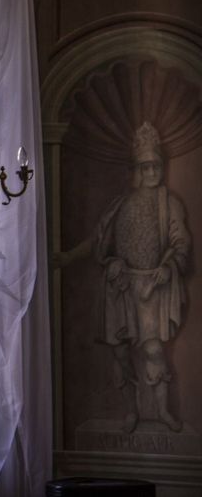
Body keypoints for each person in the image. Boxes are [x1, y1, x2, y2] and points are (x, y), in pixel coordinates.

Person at [56, 121, 190, 433]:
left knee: (153, 350)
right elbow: (99, 240)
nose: (151, 172)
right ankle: (131, 411)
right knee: (120, 353)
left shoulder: (169, 203)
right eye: (145, 167)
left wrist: (169, 266)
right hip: (119, 287)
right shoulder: (121, 204)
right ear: (137, 170)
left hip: (152, 288)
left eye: (156, 166)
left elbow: (181, 242)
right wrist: (70, 257)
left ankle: (163, 412)